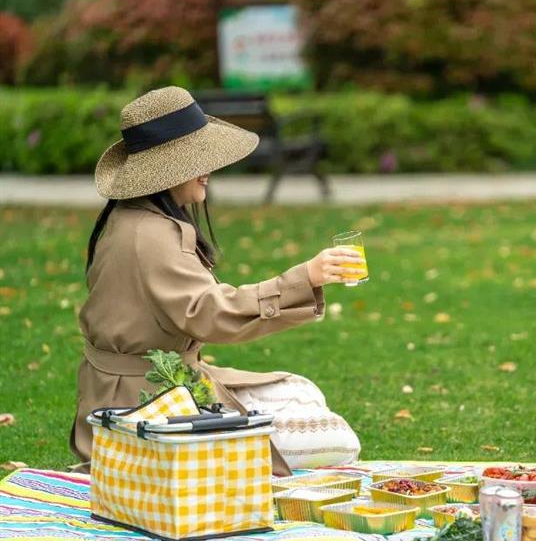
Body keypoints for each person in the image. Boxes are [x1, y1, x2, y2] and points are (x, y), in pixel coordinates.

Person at [71, 86, 363, 476]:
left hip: (137, 389)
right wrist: (304, 278)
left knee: (302, 391)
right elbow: (211, 313)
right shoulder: (152, 235)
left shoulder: (134, 218)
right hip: (143, 404)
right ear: (168, 169)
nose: (209, 168)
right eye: (199, 158)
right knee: (338, 440)